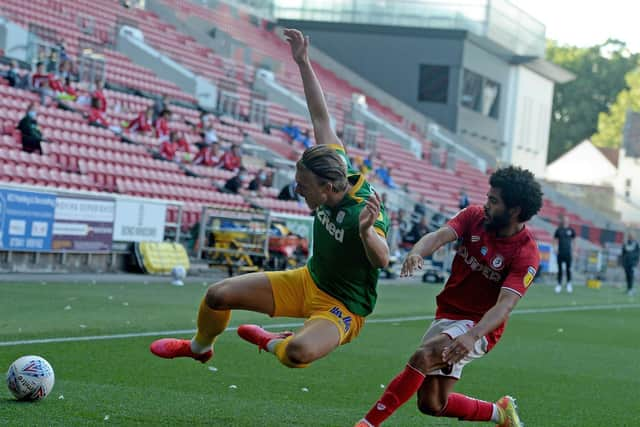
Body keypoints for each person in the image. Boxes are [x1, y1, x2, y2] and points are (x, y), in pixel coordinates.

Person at [150, 29, 390, 377]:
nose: (297, 190)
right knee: (218, 294)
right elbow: (321, 118)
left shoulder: (362, 211)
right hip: (306, 281)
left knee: (296, 352)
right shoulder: (334, 164)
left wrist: (367, 232)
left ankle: (271, 342)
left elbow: (382, 258)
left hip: (343, 307)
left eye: (303, 186)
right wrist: (303, 62)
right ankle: (199, 349)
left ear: (325, 188)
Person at [354, 166, 543, 427]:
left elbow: (504, 306)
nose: (486, 204)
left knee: (424, 356)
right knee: (432, 404)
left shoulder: (526, 253)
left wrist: (472, 335)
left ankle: (367, 424)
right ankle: (501, 413)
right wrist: (418, 252)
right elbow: (439, 236)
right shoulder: (474, 216)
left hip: (480, 326)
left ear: (515, 211)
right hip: (447, 314)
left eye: (494, 201)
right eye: (488, 197)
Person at [554, 215, 576, 293]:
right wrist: (555, 248)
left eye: (567, 220)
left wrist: (574, 251)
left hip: (568, 253)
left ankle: (569, 284)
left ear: (568, 221)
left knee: (568, 269)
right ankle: (559, 284)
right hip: (560, 252)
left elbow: (574, 241)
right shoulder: (558, 230)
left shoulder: (571, 230)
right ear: (562, 221)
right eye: (564, 220)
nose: (565, 221)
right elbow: (555, 240)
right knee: (559, 269)